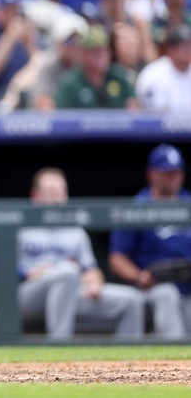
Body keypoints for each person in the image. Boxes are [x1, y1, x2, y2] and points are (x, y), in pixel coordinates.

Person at [18, 167, 145, 340]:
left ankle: (129, 356)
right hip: (29, 294)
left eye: (62, 192)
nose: (58, 197)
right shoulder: (21, 226)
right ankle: (59, 345)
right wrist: (25, 272)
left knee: (132, 300)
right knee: (67, 271)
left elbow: (91, 270)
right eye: (52, 192)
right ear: (35, 196)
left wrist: (94, 283)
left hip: (69, 293)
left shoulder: (75, 231)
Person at [109, 144, 191, 339]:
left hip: (188, 281)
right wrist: (140, 276)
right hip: (155, 286)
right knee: (167, 294)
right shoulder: (138, 207)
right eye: (167, 172)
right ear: (152, 174)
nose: (174, 177)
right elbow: (117, 258)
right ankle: (175, 355)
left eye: (177, 171)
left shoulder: (188, 202)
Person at [55, 24, 140, 109]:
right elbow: (62, 114)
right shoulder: (70, 84)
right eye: (95, 52)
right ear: (83, 54)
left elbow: (133, 108)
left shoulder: (118, 77)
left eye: (104, 51)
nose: (101, 57)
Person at [136, 25, 191, 112]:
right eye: (184, 46)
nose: (188, 50)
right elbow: (152, 115)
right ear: (170, 50)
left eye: (190, 45)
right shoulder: (153, 74)